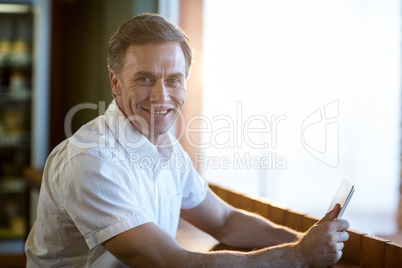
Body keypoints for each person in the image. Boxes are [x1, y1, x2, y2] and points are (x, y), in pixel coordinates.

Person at [25, 13, 349, 267]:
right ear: (115, 81)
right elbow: (169, 262)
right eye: (145, 79)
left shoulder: (164, 146)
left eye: (174, 80)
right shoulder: (92, 161)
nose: (161, 96)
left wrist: (304, 239)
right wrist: (299, 256)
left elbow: (224, 221)